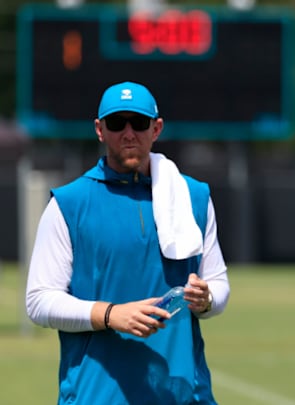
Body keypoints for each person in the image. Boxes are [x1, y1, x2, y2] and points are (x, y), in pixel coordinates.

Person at [25, 81, 230, 404]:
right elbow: (39, 300)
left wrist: (205, 299)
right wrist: (110, 315)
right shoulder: (69, 204)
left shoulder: (194, 197)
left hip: (185, 395)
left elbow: (217, 284)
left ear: (157, 128)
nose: (129, 133)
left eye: (139, 123)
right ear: (100, 129)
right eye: (117, 123)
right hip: (97, 396)